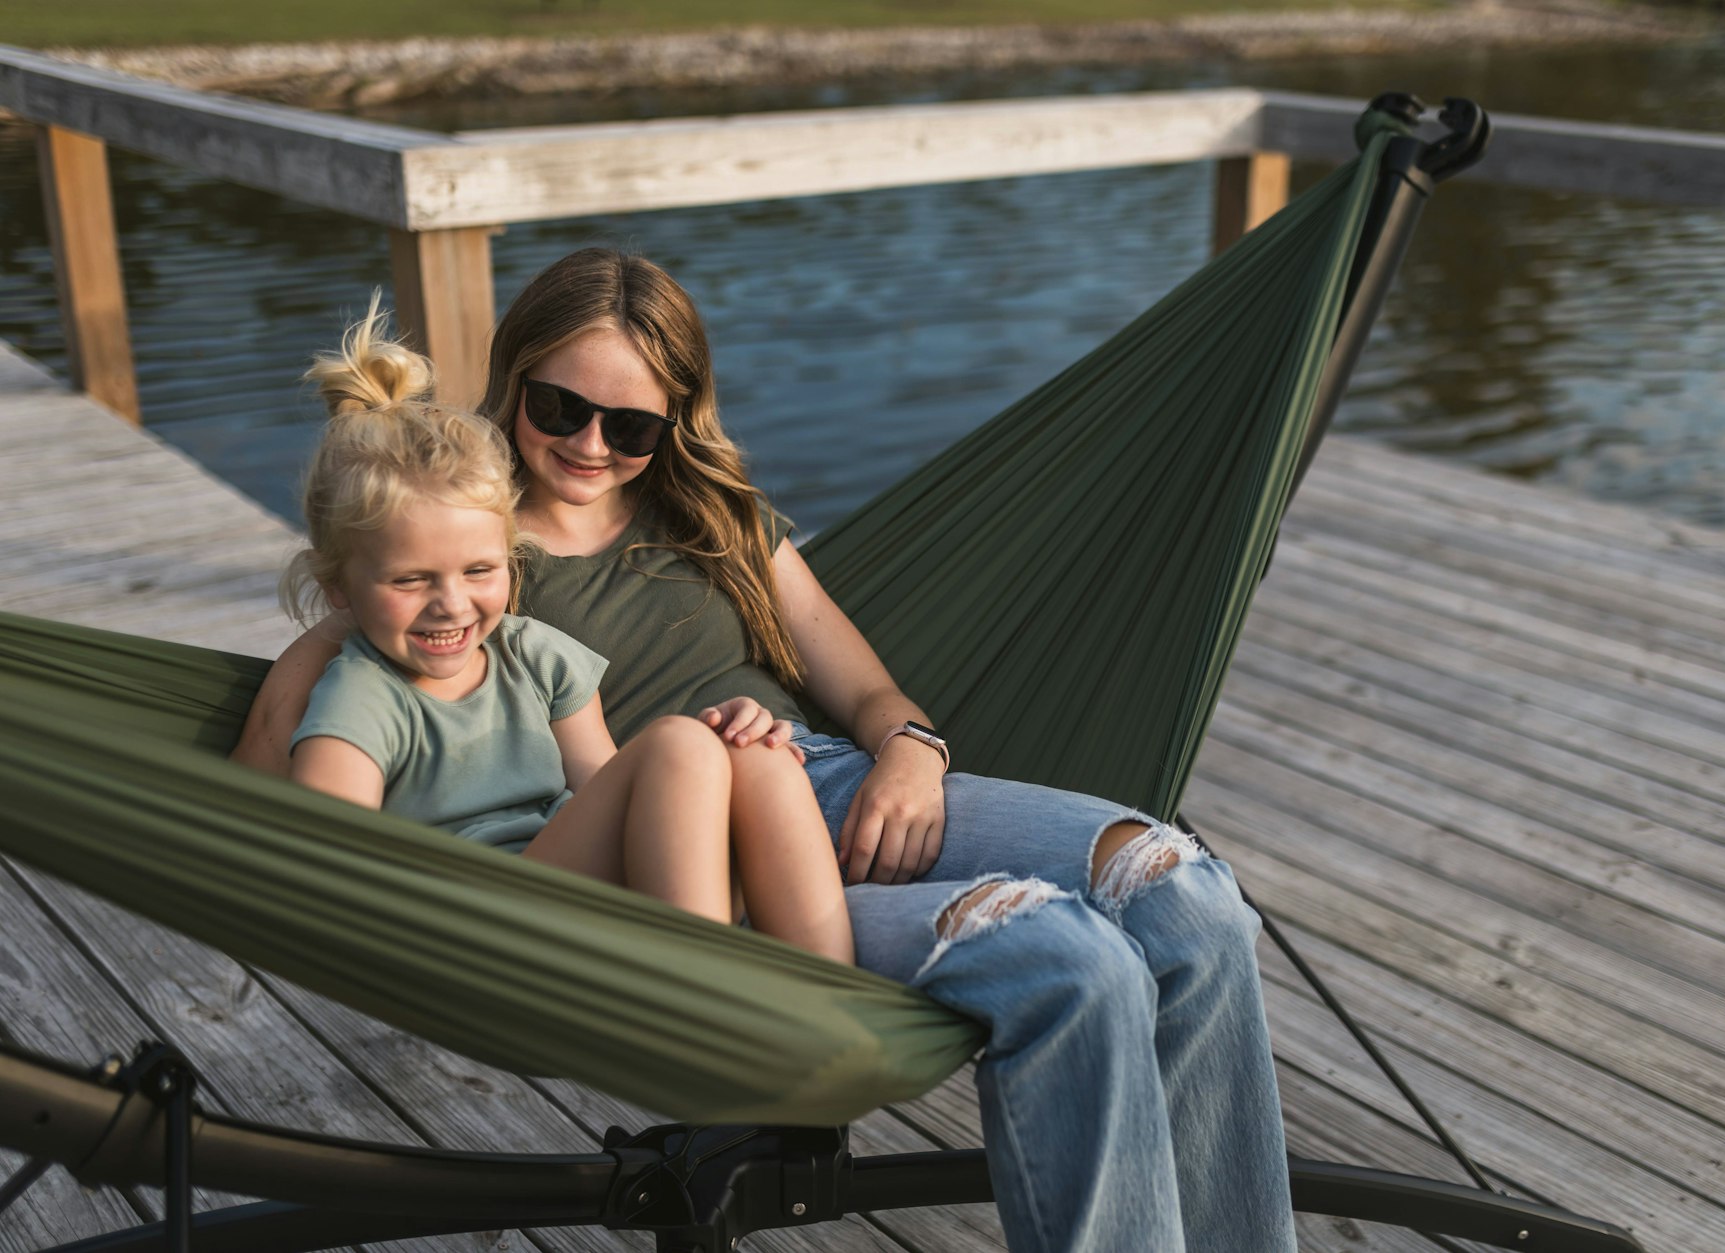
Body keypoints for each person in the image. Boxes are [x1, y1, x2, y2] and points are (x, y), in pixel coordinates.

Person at [236, 250, 1296, 1253]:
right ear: (511, 377)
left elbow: (867, 687)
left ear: (673, 421)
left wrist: (910, 751)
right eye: (559, 406)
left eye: (633, 423)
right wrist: (266, 737)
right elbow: (326, 673)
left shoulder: (716, 514)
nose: (591, 443)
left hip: (828, 785)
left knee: (1183, 890)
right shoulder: (457, 533)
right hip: (690, 863)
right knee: (1068, 961)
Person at [280, 298, 851, 965]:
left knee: (753, 755)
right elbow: (334, 868)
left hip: (571, 891)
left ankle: (830, 992)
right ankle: (705, 996)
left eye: (479, 569)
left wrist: (729, 734)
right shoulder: (362, 699)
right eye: (411, 581)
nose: (451, 603)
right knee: (676, 740)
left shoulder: (537, 656)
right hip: (479, 924)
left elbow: (609, 787)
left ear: (512, 555)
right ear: (339, 591)